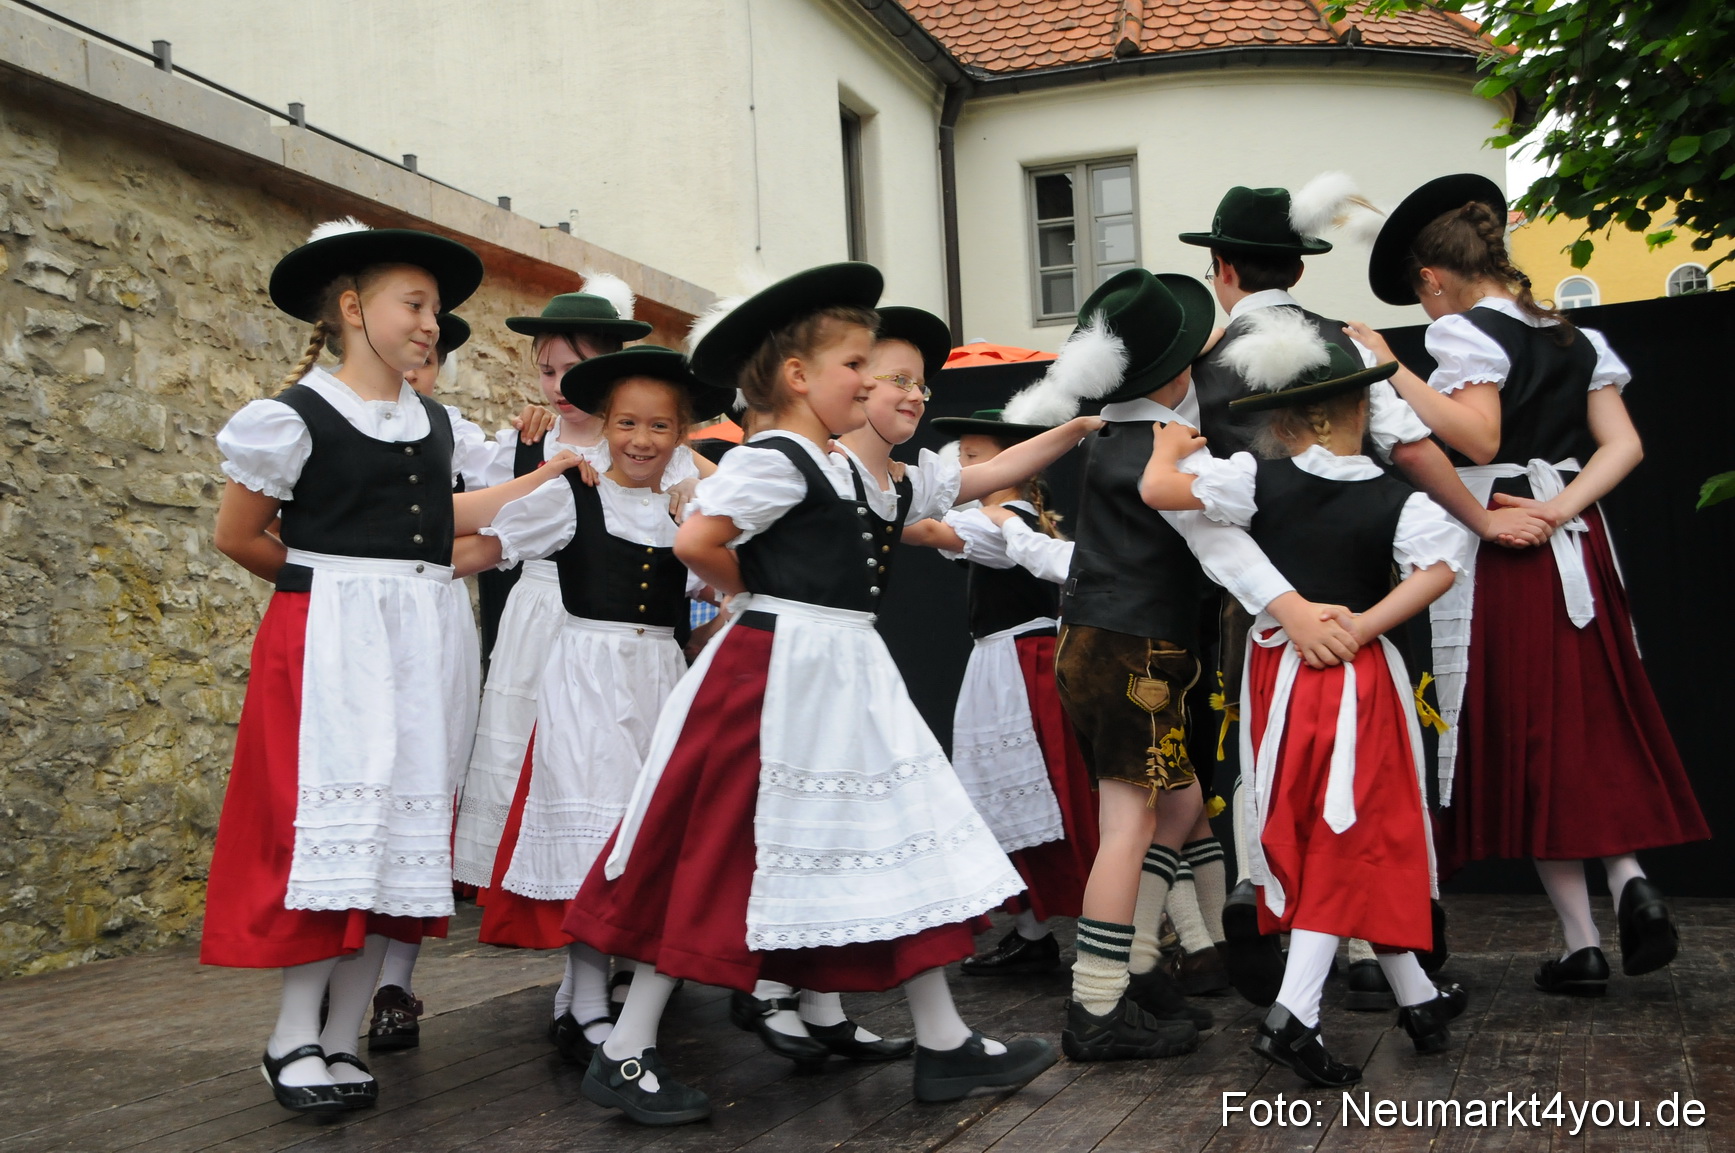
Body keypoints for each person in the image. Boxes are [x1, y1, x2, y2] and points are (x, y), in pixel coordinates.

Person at [563, 264, 1057, 1126]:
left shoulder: (841, 469)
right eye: (855, 366)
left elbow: (964, 484)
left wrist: (1075, 425)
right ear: (798, 377)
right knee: (715, 848)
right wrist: (759, 593)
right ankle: (626, 1046)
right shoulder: (778, 459)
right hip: (778, 675)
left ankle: (941, 1040)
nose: (869, 382)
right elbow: (696, 540)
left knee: (895, 836)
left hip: (840, 672)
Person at [203, 218, 583, 1113]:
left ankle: (340, 1036)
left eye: (434, 307)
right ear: (350, 308)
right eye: (413, 304)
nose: (428, 322)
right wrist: (331, 593)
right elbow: (238, 535)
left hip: (421, 640)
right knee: (325, 829)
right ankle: (292, 1033)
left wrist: (545, 476)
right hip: (335, 640)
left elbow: (443, 519)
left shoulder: (434, 422)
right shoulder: (292, 417)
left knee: (396, 832)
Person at [1178, 179, 1531, 1008]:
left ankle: (1273, 901)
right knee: (1372, 770)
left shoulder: (1204, 366)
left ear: (1222, 267)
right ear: (1295, 270)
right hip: (1368, 590)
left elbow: (1188, 489)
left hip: (1264, 603)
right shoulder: (1347, 347)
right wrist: (1477, 521)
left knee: (1273, 760)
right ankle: (1379, 947)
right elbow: (1411, 451)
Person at [995, 268, 1362, 1062]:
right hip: (1139, 655)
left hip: (1094, 644)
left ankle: (1136, 965)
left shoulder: (1118, 439)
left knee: (1181, 805)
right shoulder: (1159, 453)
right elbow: (1219, 541)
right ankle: (1097, 1004)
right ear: (1174, 372)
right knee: (1129, 821)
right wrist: (1293, 609)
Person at [1357, 173, 1710, 995]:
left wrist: (1390, 370)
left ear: (1431, 280)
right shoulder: (1568, 335)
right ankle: (1609, 903)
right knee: (1576, 729)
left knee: (1531, 738)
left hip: (1512, 556)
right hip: (1575, 548)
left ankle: (1591, 929)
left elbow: (1477, 440)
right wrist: (1561, 510)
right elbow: (1622, 448)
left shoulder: (1461, 335)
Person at [1141, 314, 1472, 1085]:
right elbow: (1439, 568)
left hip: (1284, 676)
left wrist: (1165, 446)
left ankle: (1416, 997)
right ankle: (1294, 1013)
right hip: (1358, 680)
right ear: (1352, 412)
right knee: (1354, 828)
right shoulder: (1398, 497)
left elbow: (1160, 490)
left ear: (1296, 420)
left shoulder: (1255, 479)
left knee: (1345, 828)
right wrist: (1361, 626)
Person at [460, 345, 733, 1065]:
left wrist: (696, 516)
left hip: (657, 679)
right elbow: (482, 546)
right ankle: (583, 999)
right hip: (584, 674)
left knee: (639, 841)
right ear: (604, 424)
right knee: (594, 841)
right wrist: (386, 551)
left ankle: (608, 993)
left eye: (659, 427)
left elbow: (731, 585)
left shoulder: (686, 512)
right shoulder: (571, 496)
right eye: (626, 423)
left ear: (680, 437)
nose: (641, 440)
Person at [902, 407, 1098, 977]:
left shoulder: (1002, 517)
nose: (960, 466)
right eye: (962, 456)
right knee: (1006, 797)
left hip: (1022, 666)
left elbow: (929, 530)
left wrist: (864, 502)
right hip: (1002, 662)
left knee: (1046, 793)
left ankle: (1097, 927)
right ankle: (1033, 930)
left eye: (972, 457)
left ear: (1010, 466)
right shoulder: (1012, 515)